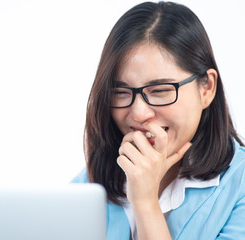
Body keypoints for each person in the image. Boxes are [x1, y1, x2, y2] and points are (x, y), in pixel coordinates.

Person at [71, 1, 245, 239]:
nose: (139, 113)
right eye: (121, 92)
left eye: (160, 90)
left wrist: (145, 202)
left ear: (207, 88)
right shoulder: (89, 184)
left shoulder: (240, 186)